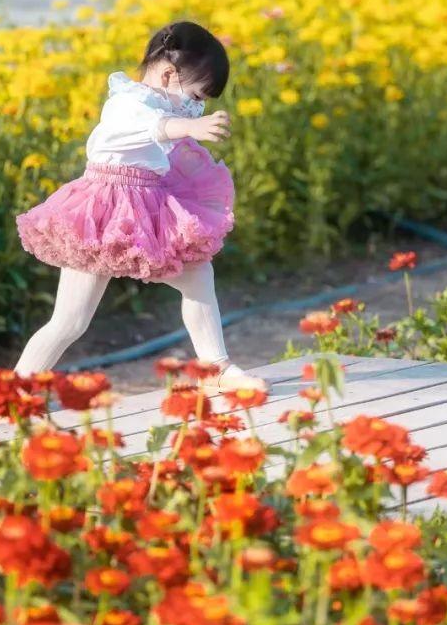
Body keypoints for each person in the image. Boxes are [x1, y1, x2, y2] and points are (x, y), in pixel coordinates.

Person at [15, 21, 264, 393]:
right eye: (196, 96)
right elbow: (156, 127)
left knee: (197, 274)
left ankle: (216, 367)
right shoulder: (128, 104)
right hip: (102, 211)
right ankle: (15, 392)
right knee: (69, 321)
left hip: (147, 203)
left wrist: (186, 135)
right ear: (168, 75)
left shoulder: (158, 103)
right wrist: (190, 127)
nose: (197, 108)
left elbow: (163, 135)